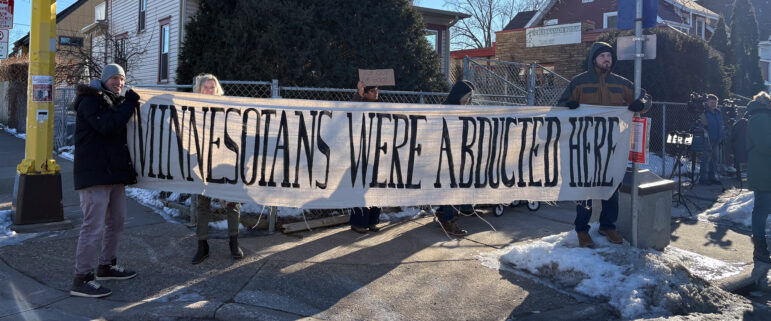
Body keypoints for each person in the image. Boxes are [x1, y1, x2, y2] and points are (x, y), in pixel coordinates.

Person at [557, 42, 650, 248]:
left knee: (612, 187)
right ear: (594, 59)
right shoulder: (579, 82)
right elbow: (560, 106)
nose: (606, 59)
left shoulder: (622, 84)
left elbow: (644, 97)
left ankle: (608, 225)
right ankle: (582, 229)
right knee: (585, 189)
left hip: (614, 145)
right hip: (585, 146)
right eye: (602, 56)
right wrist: (568, 106)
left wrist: (640, 104)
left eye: (609, 56)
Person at [70, 64, 139, 298]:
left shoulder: (113, 102)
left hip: (114, 175)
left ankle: (106, 265)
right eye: (114, 79)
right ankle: (82, 278)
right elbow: (108, 127)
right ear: (104, 80)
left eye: (122, 79)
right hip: (94, 175)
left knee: (117, 221)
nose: (119, 83)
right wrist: (130, 104)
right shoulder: (91, 101)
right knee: (93, 227)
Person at [190, 74, 245, 264]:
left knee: (232, 202)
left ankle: (233, 241)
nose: (209, 90)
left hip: (225, 161)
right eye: (206, 87)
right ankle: (202, 245)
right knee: (202, 203)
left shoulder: (227, 109)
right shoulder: (193, 109)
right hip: (202, 162)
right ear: (199, 89)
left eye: (212, 87)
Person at [434, 80, 476, 237]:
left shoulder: (459, 108)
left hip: (456, 153)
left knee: (452, 186)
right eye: (466, 97)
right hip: (446, 154)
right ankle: (448, 220)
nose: (467, 100)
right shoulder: (447, 109)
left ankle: (443, 212)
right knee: (449, 187)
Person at [348, 81, 383, 234]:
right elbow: (350, 111)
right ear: (366, 93)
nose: (376, 93)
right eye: (373, 91)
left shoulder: (381, 105)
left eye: (377, 90)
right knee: (360, 186)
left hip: (377, 151)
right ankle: (358, 223)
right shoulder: (359, 103)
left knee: (377, 186)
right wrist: (359, 94)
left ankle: (373, 221)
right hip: (361, 151)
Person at [746, 91, 771, 264]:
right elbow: (765, 146)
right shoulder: (760, 118)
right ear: (765, 104)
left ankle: (761, 247)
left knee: (762, 209)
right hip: (764, 172)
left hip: (764, 170)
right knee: (761, 210)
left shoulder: (761, 117)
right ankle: (760, 249)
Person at [698, 94, 723, 185]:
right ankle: (703, 178)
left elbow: (720, 125)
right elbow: (702, 125)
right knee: (706, 159)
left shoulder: (718, 112)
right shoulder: (704, 112)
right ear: (707, 102)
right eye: (711, 102)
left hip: (716, 140)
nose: (713, 104)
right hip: (707, 139)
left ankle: (712, 177)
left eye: (715, 102)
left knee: (714, 160)